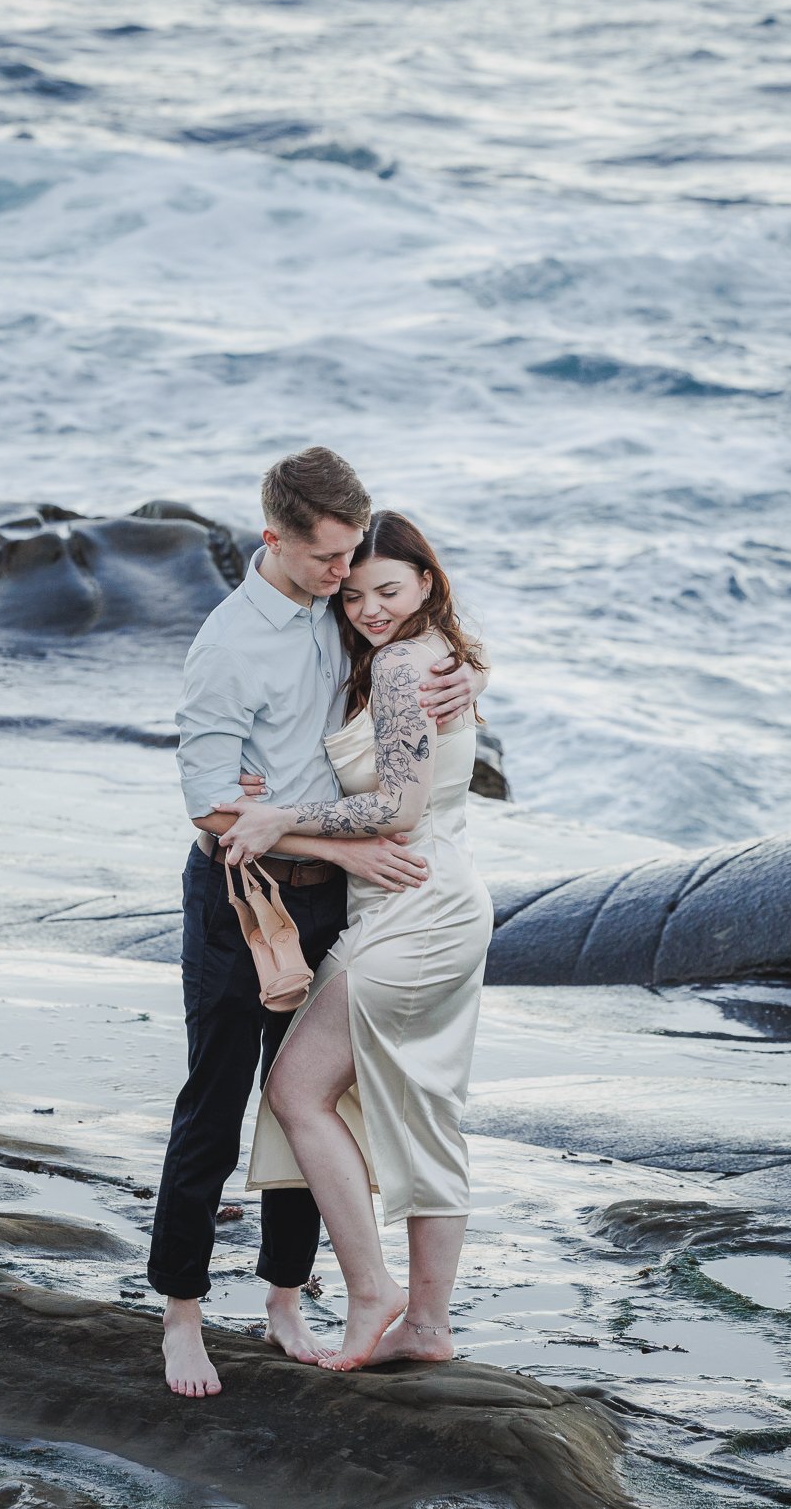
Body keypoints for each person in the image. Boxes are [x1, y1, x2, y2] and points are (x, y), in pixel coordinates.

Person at [154, 448, 482, 1399]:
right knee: (215, 1104)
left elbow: (408, 706)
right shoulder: (227, 644)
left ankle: (285, 1296)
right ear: (277, 541)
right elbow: (209, 804)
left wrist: (469, 680)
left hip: (337, 894)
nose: (349, 583)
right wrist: (339, 848)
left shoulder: (352, 619)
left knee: (306, 1103)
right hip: (243, 894)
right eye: (331, 562)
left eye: (357, 563)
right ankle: (180, 1313)